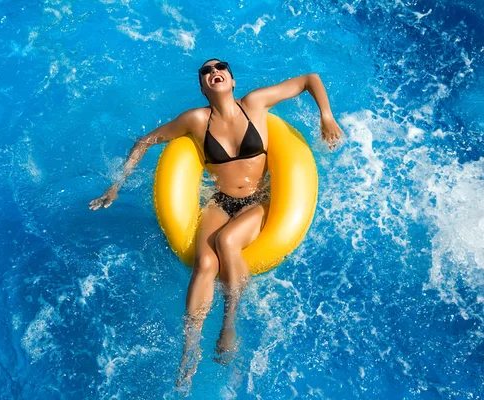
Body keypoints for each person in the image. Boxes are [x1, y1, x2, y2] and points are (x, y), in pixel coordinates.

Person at [89, 58, 344, 389]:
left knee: (226, 243)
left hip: (259, 200)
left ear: (232, 80)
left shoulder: (256, 103)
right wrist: (116, 186)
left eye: (219, 67)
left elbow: (310, 78)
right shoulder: (196, 120)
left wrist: (326, 116)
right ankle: (189, 350)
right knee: (204, 262)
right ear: (203, 87)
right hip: (221, 201)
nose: (213, 72)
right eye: (206, 72)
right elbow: (145, 142)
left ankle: (229, 325)